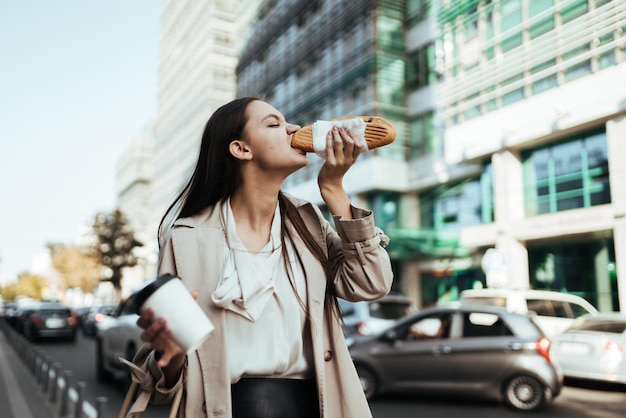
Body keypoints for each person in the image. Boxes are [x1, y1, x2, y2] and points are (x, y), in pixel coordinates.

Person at [129, 97, 394, 418]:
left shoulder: (309, 223)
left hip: (315, 406)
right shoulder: (187, 238)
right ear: (241, 149)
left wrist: (335, 190)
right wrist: (169, 353)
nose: (294, 128)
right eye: (274, 124)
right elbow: (162, 382)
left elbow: (370, 284)